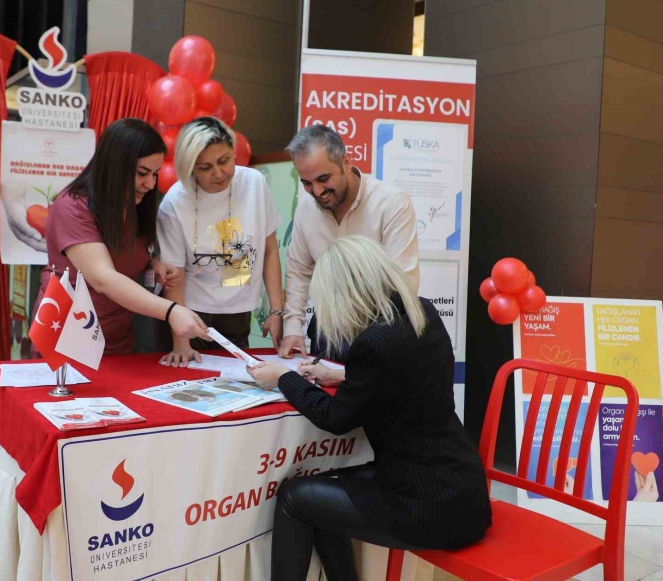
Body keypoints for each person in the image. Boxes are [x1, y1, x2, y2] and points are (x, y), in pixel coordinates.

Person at [248, 236, 491, 581]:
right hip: (463, 491)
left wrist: (282, 378)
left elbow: (335, 419)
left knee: (294, 497)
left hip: (425, 508)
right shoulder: (422, 313)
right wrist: (344, 374)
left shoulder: (374, 343)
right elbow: (404, 377)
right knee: (320, 494)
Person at [31, 118, 210, 356]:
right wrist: (171, 311)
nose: (150, 184)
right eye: (142, 173)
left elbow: (127, 253)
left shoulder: (136, 204)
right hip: (66, 335)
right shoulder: (72, 207)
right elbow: (103, 277)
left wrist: (153, 264)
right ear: (114, 166)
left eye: (155, 174)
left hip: (116, 336)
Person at [279, 125, 419, 361]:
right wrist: (293, 328)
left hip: (381, 332)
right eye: (307, 183)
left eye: (324, 179)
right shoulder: (305, 207)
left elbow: (403, 284)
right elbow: (299, 273)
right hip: (327, 331)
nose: (317, 191)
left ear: (346, 161)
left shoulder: (391, 204)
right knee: (321, 397)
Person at [157, 117, 283, 367]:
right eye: (205, 167)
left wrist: (277, 310)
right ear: (190, 167)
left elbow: (270, 250)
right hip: (191, 313)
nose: (219, 173)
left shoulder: (254, 183)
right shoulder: (175, 202)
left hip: (239, 311)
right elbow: (174, 274)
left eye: (224, 160)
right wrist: (181, 342)